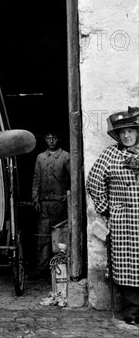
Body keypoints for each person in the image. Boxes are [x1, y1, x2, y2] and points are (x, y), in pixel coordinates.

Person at [87, 106, 139, 325]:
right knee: (127, 264)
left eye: (131, 131)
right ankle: (133, 311)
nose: (126, 135)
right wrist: (107, 207)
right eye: (122, 132)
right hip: (123, 220)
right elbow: (94, 181)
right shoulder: (110, 153)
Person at [31, 129, 71, 277]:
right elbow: (36, 178)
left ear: (58, 138)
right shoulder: (40, 158)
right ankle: (41, 270)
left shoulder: (66, 156)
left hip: (60, 203)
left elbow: (74, 179)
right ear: (45, 139)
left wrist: (69, 197)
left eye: (54, 137)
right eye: (48, 137)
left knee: (60, 238)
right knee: (43, 238)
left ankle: (60, 271)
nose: (52, 140)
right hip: (44, 204)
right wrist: (35, 198)